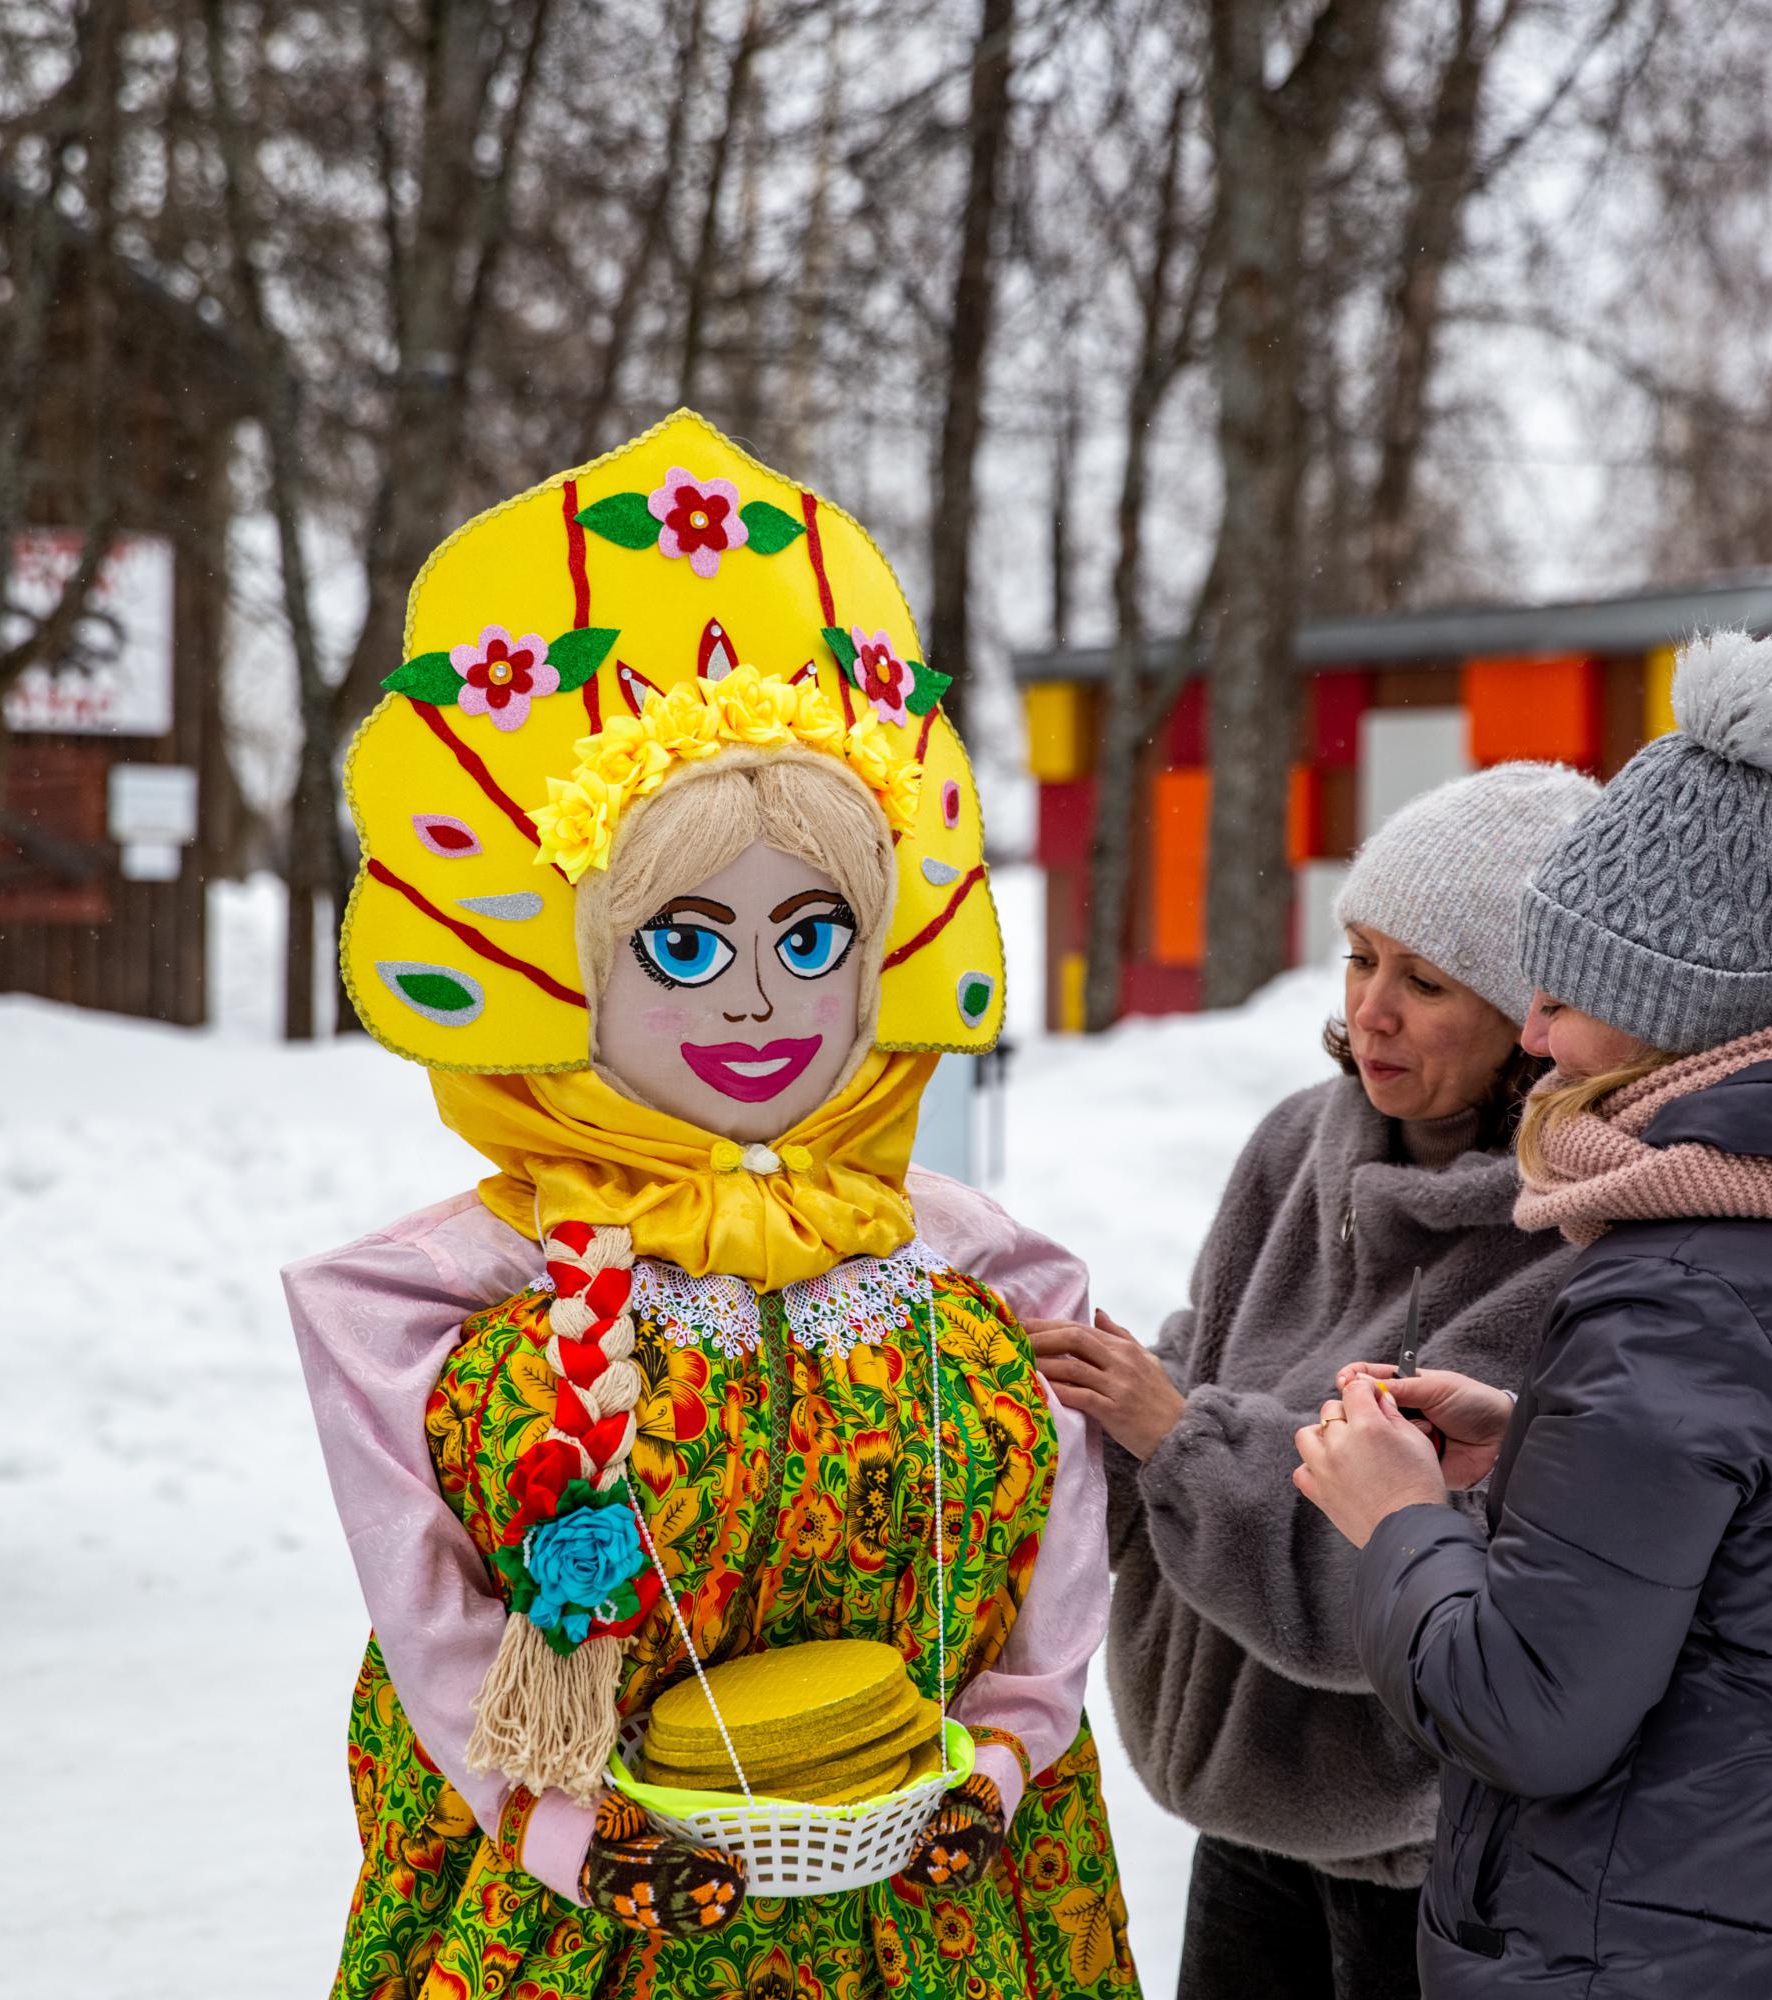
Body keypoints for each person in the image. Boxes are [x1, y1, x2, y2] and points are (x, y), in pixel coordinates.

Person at [283, 412, 1139, 1998]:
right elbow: (430, 1618)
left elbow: (1059, 1572)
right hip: (598, 1926)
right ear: (564, 961)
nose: (761, 998)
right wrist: (554, 1826)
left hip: (942, 1917)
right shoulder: (427, 1300)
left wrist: (1009, 1755)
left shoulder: (989, 1267)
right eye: (684, 944)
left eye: (813, 938)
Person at [1295, 629, 1772, 1999]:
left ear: (1664, 1012)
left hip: (1657, 1951)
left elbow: (1521, 1714)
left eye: (1561, 998)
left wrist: (1397, 1519)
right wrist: (1548, 1443)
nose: (1539, 1040)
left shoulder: (1686, 1285)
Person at [1034, 763, 1597, 2000]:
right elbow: (1196, 1371)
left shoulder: (1569, 1229)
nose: (1371, 1010)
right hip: (1243, 1818)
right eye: (1359, 957)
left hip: (1430, 1857)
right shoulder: (1297, 1140)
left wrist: (1179, 1435)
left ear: (1532, 1021)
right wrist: (1082, 1405)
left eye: (1427, 981)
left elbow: (1418, 1592)